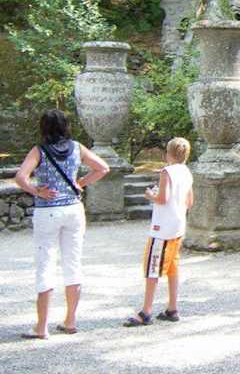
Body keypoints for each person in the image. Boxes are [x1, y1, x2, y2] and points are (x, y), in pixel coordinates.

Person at [15, 109, 110, 339]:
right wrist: (81, 183)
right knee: (73, 263)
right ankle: (70, 321)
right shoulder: (78, 148)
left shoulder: (39, 151)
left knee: (45, 264)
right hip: (73, 210)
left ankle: (41, 327)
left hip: (47, 211)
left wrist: (36, 190)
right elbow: (103, 168)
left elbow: (20, 177)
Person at [124, 138, 194, 326]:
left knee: (152, 266)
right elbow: (190, 202)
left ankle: (146, 311)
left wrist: (150, 195)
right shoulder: (187, 172)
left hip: (163, 227)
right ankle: (172, 307)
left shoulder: (167, 172)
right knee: (172, 266)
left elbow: (163, 199)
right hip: (178, 225)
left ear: (168, 153)